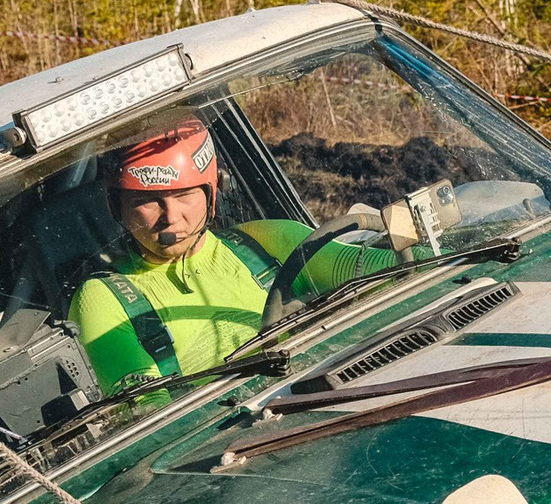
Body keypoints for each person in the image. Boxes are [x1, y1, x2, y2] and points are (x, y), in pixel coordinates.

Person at [69, 117, 392, 393]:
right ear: (116, 206)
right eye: (147, 201)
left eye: (184, 195)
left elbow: (387, 269)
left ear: (212, 193)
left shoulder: (268, 241)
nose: (171, 217)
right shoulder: (104, 298)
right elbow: (144, 406)